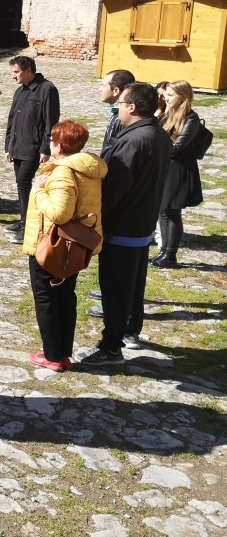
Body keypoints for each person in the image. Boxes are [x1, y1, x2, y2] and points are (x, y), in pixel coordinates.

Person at [80, 83, 171, 365]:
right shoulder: (158, 134)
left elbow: (113, 189)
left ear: (131, 107)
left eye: (119, 104)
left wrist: (91, 216)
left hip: (122, 226)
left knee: (116, 289)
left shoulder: (133, 141)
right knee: (133, 285)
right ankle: (130, 330)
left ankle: (111, 347)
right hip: (142, 223)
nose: (117, 109)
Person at [22, 120, 106, 372]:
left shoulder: (62, 172)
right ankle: (63, 352)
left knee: (46, 297)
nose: (50, 143)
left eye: (52, 140)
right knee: (66, 296)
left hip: (52, 244)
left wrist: (38, 191)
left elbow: (60, 214)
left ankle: (53, 355)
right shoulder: (87, 169)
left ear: (59, 145)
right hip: (75, 246)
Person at [4, 56, 60, 243]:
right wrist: (8, 146)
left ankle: (29, 225)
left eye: (16, 72)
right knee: (21, 184)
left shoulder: (47, 89)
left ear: (29, 71)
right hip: (17, 145)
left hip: (33, 146)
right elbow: (12, 120)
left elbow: (51, 121)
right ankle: (23, 220)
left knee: (24, 182)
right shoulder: (20, 91)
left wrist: (46, 148)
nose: (13, 76)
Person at [152, 80, 204, 269]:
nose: (166, 98)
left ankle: (171, 254)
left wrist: (157, 146)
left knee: (172, 212)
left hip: (179, 170)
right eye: (166, 94)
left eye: (170, 95)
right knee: (162, 210)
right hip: (166, 168)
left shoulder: (191, 118)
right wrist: (159, 113)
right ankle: (163, 250)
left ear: (183, 97)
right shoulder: (168, 114)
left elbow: (178, 146)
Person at [99, 69, 135, 156]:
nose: (100, 89)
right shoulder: (118, 113)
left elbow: (111, 149)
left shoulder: (122, 118)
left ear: (116, 91)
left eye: (103, 86)